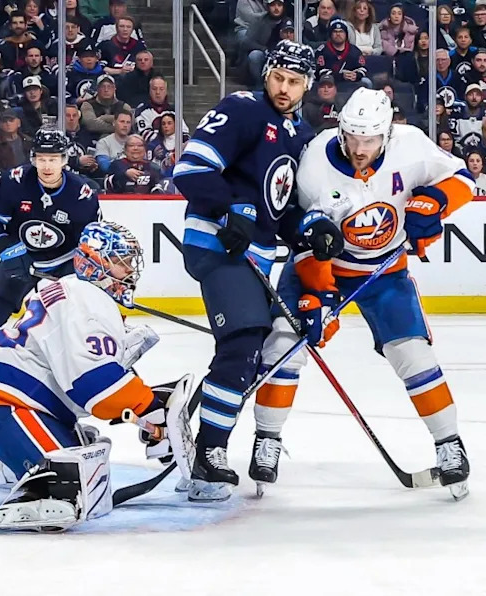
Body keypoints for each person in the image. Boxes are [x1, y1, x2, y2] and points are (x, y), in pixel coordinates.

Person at [249, 88, 474, 501]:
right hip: (324, 265)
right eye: (352, 137)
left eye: (368, 140)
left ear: (386, 134)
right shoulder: (316, 161)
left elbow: (463, 179)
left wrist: (436, 202)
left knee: (413, 355)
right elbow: (305, 237)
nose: (359, 148)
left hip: (386, 270)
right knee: (284, 344)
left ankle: (449, 445)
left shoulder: (411, 145)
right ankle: (267, 438)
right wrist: (315, 296)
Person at [0, 220, 194, 532]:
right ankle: (18, 471)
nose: (130, 271)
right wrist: (148, 406)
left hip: (10, 402)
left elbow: (88, 380)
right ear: (98, 263)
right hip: (2, 403)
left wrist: (145, 413)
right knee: (68, 484)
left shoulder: (77, 293)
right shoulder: (88, 300)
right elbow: (92, 386)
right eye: (122, 262)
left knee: (86, 452)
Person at [171, 40, 318, 502]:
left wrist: (310, 231)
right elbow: (190, 170)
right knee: (242, 342)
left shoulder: (301, 134)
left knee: (249, 348)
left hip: (254, 254)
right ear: (267, 74)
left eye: (294, 82)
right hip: (214, 243)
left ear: (306, 87)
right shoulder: (243, 109)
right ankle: (209, 452)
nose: (284, 88)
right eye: (278, 78)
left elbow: (279, 210)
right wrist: (230, 211)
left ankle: (197, 432)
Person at [0, 129, 102, 395]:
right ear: (33, 158)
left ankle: (79, 372)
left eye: (53, 159)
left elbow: (88, 242)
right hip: (19, 255)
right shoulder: (14, 182)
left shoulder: (82, 194)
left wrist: (73, 274)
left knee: (73, 318)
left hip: (63, 262)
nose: (47, 165)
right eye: (41, 158)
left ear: (64, 160)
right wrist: (10, 250)